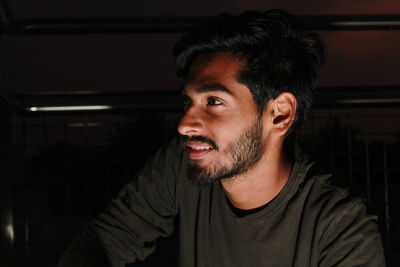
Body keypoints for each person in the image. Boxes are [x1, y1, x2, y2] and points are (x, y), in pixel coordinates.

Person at [58, 10, 385, 267]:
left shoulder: (340, 227)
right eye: (188, 102)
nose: (185, 124)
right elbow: (98, 243)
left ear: (279, 114)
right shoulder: (182, 163)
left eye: (213, 101)